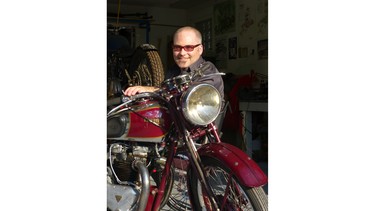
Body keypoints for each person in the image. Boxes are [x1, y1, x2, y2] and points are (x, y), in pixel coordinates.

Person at [123, 26, 224, 100]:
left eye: (189, 47)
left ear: (200, 49)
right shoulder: (173, 70)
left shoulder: (209, 72)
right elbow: (165, 90)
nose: (182, 53)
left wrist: (151, 90)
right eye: (177, 48)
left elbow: (189, 97)